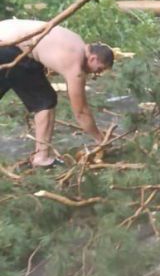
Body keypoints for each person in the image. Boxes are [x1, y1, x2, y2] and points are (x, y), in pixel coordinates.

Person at [0, 19, 114, 167]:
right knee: (45, 101)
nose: (94, 74)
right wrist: (100, 139)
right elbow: (81, 112)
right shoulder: (75, 61)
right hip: (9, 48)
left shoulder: (76, 41)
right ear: (93, 58)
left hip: (5, 38)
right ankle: (41, 158)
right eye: (97, 70)